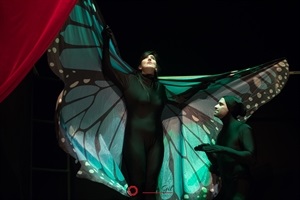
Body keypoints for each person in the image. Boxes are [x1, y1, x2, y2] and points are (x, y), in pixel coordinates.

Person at [195, 95, 256, 200]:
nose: (216, 106)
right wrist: (208, 151)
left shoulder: (243, 128)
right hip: (226, 187)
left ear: (230, 108)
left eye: (221, 104)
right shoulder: (222, 134)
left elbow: (250, 157)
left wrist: (221, 149)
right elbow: (219, 162)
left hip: (239, 185)